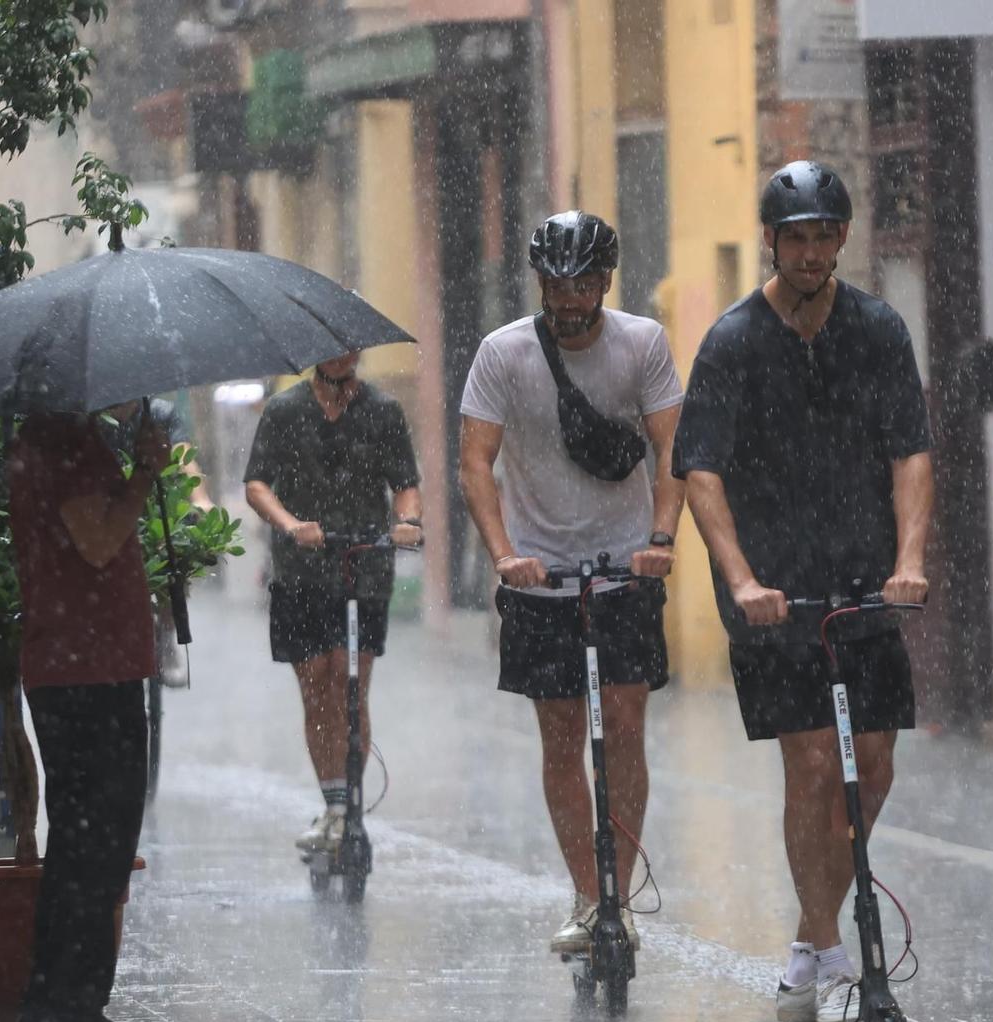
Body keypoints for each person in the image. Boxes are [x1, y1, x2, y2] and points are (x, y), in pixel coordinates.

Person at [672, 161, 934, 1022]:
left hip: (864, 584)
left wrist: (909, 559)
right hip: (778, 599)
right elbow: (700, 471)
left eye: (825, 237)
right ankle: (829, 945)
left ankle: (805, 941)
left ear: (842, 239)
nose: (812, 253)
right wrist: (742, 579)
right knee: (815, 764)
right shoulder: (733, 343)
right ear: (772, 243)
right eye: (797, 239)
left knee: (874, 766)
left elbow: (910, 452)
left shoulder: (878, 331)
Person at [458, 210, 686, 954]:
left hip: (625, 571)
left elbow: (673, 448)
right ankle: (589, 895)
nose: (569, 299)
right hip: (539, 575)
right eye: (557, 284)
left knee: (623, 727)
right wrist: (504, 555)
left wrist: (660, 540)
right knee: (560, 738)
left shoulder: (641, 344)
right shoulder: (503, 353)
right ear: (540, 283)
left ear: (605, 282)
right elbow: (475, 462)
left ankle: (620, 886)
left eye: (584, 284)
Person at [4, 400, 173, 1022]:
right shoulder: (67, 439)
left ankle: (47, 1008)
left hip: (74, 664)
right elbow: (97, 542)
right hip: (90, 670)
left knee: (78, 840)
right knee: (100, 840)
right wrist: (144, 474)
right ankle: (73, 1015)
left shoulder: (45, 435)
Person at [243, 351, 423, 856]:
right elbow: (257, 484)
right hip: (299, 570)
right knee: (315, 684)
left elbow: (405, 485)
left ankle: (350, 807)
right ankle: (333, 802)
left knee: (349, 681)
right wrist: (290, 524)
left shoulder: (383, 410)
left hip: (364, 565)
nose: (343, 354)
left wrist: (409, 522)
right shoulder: (284, 410)